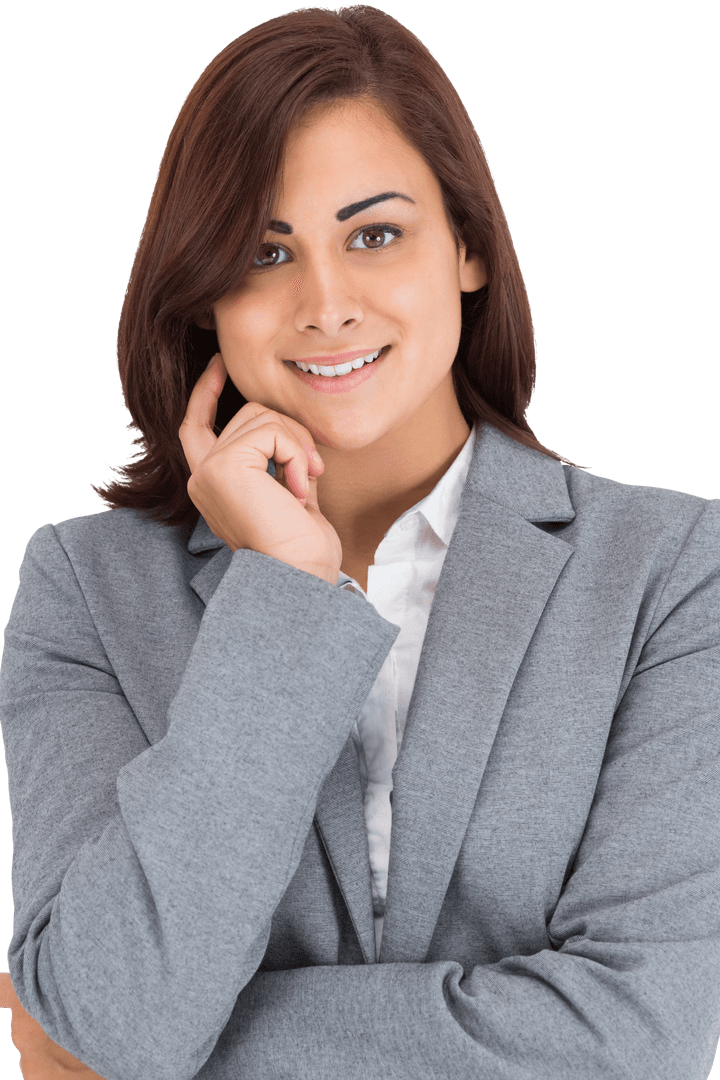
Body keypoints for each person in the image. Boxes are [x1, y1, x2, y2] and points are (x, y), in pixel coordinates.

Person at [1, 4, 719, 1078]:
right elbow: (117, 1012)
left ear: (468, 247)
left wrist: (149, 1059)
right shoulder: (84, 589)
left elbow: (640, 1039)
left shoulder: (671, 571)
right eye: (263, 251)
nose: (325, 303)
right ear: (205, 296)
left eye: (374, 234)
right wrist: (282, 594)